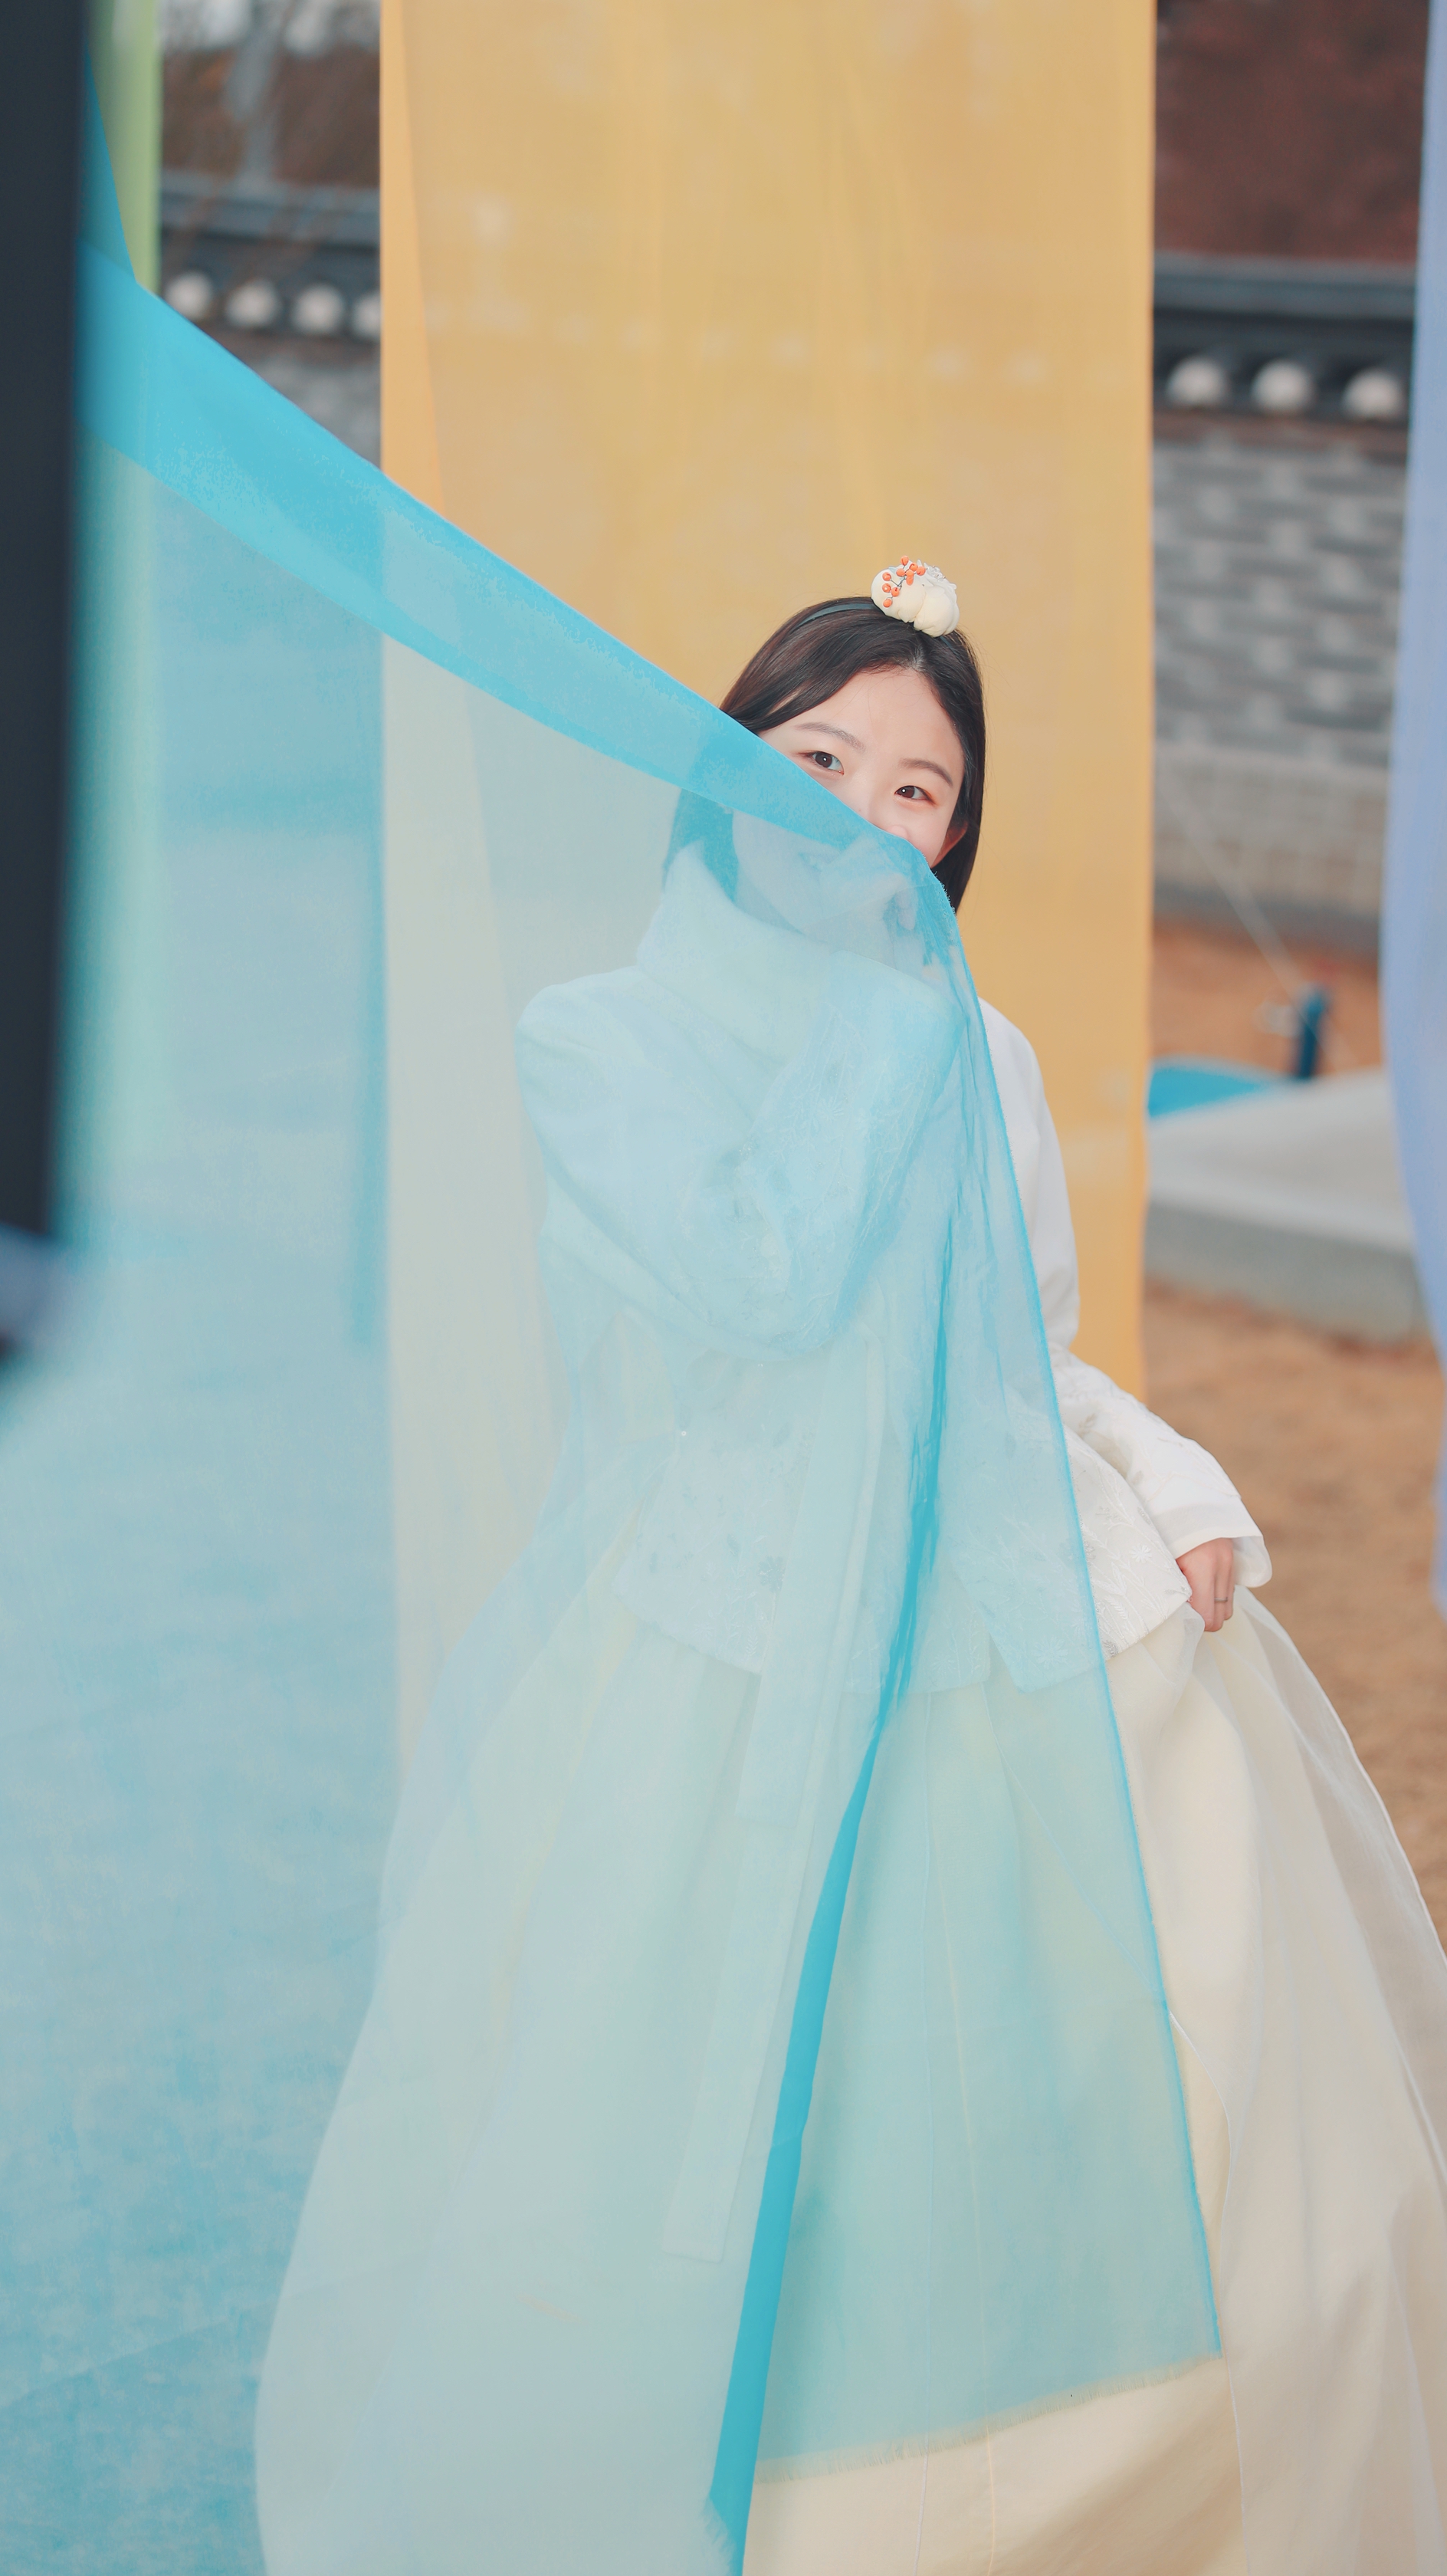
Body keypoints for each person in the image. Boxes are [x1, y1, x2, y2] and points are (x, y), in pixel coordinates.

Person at [255, 564, 1447, 2576]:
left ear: (954, 838)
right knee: (710, 2157)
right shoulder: (602, 1039)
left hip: (1009, 1621)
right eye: (819, 762)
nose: (869, 818)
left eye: (919, 792)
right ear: (724, 771)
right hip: (729, 1649)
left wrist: (1172, 1477)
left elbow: (1023, 1355)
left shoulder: (983, 1052)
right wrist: (885, 1034)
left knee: (1200, 2139)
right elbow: (767, 1282)